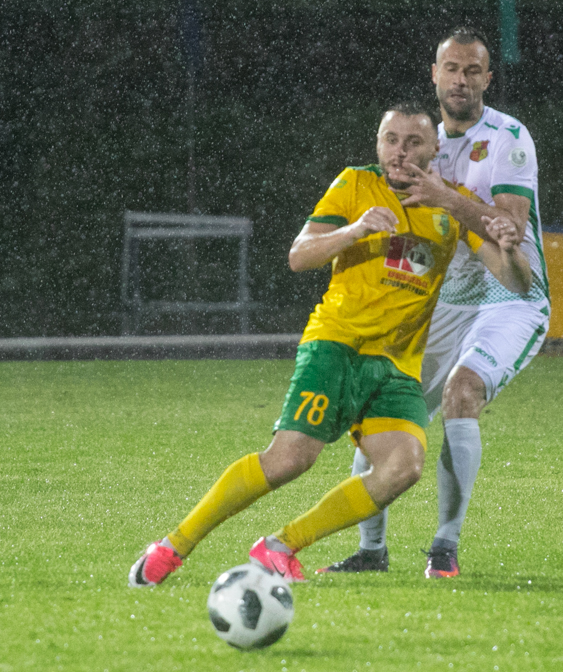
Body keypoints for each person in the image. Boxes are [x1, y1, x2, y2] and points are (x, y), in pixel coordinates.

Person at [128, 101, 531, 586]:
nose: (400, 152)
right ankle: (172, 547)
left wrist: (510, 249)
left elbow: (517, 282)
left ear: (434, 149)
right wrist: (355, 230)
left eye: (413, 142)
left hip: (397, 366)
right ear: (378, 144)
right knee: (288, 461)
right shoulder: (355, 184)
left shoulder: (451, 205)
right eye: (391, 140)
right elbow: (299, 255)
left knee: (403, 466)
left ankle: (280, 547)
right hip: (337, 346)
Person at [323, 27, 550, 579]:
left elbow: (509, 231)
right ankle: (371, 553)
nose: (461, 80)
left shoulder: (509, 138)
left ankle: (444, 548)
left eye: (473, 71)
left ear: (488, 79)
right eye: (452, 69)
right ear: (434, 74)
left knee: (461, 392)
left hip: (508, 299)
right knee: (379, 416)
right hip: (442, 303)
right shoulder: (419, 143)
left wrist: (447, 197)